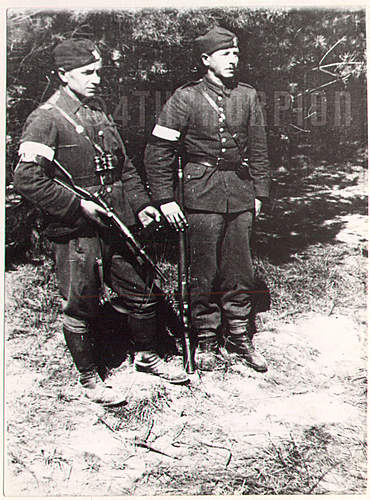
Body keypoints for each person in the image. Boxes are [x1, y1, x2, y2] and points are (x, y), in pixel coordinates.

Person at [14, 39, 188, 407]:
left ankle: (146, 356)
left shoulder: (98, 112)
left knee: (142, 289)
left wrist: (141, 204)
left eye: (98, 72)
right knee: (81, 304)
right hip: (78, 231)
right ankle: (89, 378)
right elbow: (27, 179)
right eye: (87, 73)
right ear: (63, 75)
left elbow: (123, 167)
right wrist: (78, 207)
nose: (96, 80)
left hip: (116, 222)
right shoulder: (46, 118)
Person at [144, 26, 271, 372]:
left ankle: (240, 336)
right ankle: (206, 340)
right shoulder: (185, 98)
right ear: (206, 59)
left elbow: (258, 149)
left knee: (240, 270)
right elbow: (159, 152)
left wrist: (260, 192)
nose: (234, 60)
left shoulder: (247, 96)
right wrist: (165, 199)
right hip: (200, 194)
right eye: (225, 54)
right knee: (204, 272)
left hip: (240, 192)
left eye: (236, 54)